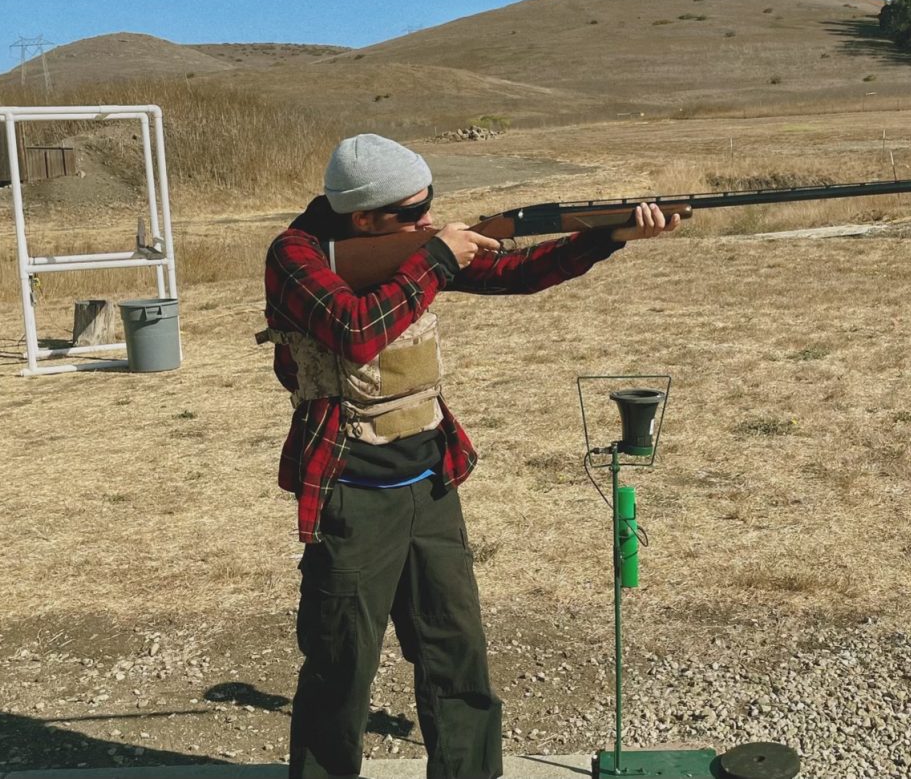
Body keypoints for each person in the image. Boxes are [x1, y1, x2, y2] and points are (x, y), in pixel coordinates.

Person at [261, 133, 678, 779]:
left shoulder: (403, 250)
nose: (428, 222)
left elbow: (515, 273)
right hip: (350, 490)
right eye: (413, 214)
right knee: (340, 668)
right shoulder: (297, 256)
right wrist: (432, 257)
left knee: (457, 657)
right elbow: (355, 330)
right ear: (364, 219)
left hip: (430, 481)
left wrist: (607, 235)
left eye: (430, 206)